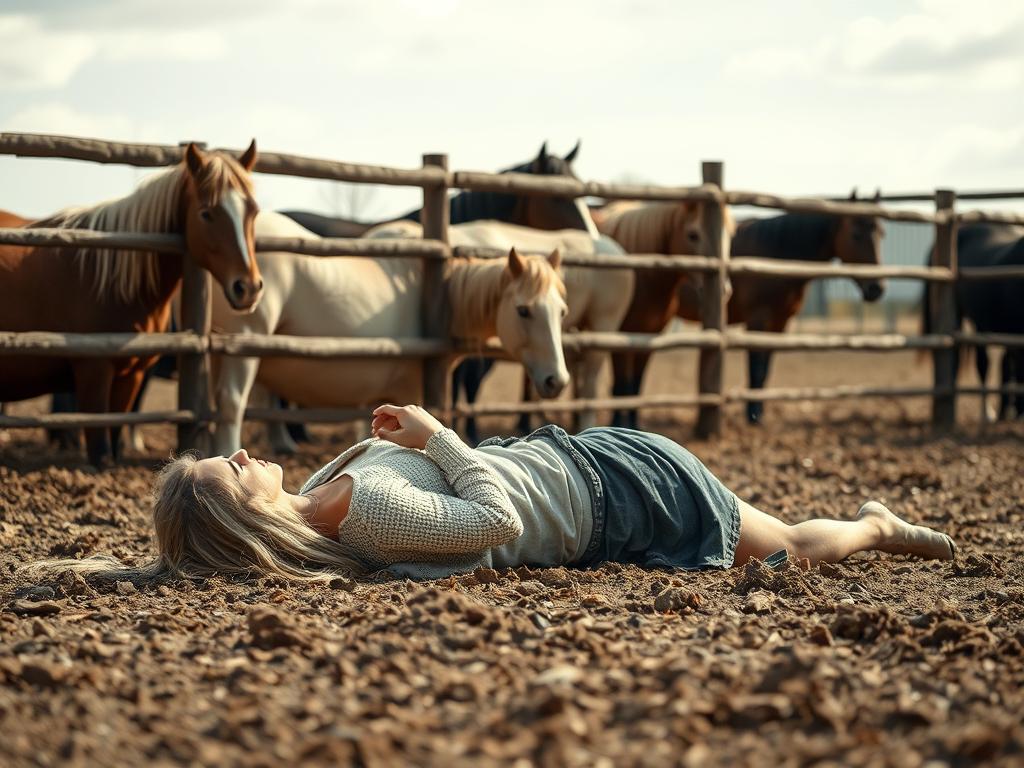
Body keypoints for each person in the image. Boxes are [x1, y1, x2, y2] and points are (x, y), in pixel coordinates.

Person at [37, 404, 956, 583]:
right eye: (228, 469)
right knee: (790, 546)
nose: (241, 453)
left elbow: (196, 556)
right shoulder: (363, 514)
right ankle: (874, 526)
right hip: (621, 492)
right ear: (245, 513)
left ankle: (870, 524)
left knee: (783, 539)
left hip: (590, 468)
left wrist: (132, 567)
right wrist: (439, 435)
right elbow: (501, 520)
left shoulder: (317, 507)